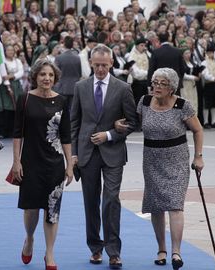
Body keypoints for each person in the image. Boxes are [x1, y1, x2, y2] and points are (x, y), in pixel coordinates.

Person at [116, 68, 203, 270]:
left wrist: (199, 157)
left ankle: (176, 252)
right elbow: (134, 124)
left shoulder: (182, 105)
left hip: (177, 160)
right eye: (155, 82)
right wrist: (120, 126)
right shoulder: (145, 102)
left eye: (162, 83)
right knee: (156, 206)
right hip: (152, 160)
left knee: (175, 204)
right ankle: (161, 249)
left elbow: (198, 130)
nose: (157, 86)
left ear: (172, 88)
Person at [70, 44, 137, 269]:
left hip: (113, 153)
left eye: (104, 65)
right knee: (90, 202)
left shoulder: (123, 88)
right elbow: (74, 123)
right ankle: (95, 248)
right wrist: (74, 155)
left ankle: (114, 251)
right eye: (97, 65)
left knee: (111, 200)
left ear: (111, 64)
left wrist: (109, 134)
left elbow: (133, 122)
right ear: (91, 63)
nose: (100, 69)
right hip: (87, 154)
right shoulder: (80, 87)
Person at [12, 59, 73, 270]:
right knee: (31, 209)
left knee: (52, 209)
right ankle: (29, 239)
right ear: (35, 77)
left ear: (55, 78)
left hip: (54, 163)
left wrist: (69, 165)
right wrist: (16, 161)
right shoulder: (25, 99)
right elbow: (17, 133)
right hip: (30, 162)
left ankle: (49, 253)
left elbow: (66, 135)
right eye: (42, 75)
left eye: (50, 75)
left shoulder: (63, 101)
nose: (46, 78)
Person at [55, 36, 81, 111]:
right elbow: (79, 73)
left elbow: (56, 73)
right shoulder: (77, 58)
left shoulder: (59, 58)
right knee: (73, 111)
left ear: (64, 44)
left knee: (61, 111)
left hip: (62, 88)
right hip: (74, 87)